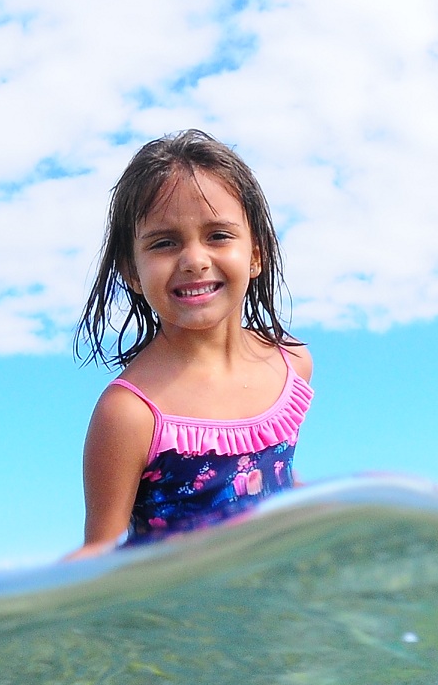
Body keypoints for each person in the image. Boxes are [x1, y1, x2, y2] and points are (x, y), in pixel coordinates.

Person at [73, 131, 311, 553]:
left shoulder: (290, 364)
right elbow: (99, 556)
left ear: (256, 253)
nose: (195, 260)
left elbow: (273, 478)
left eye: (218, 235)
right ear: (131, 270)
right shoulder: (130, 414)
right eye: (164, 243)